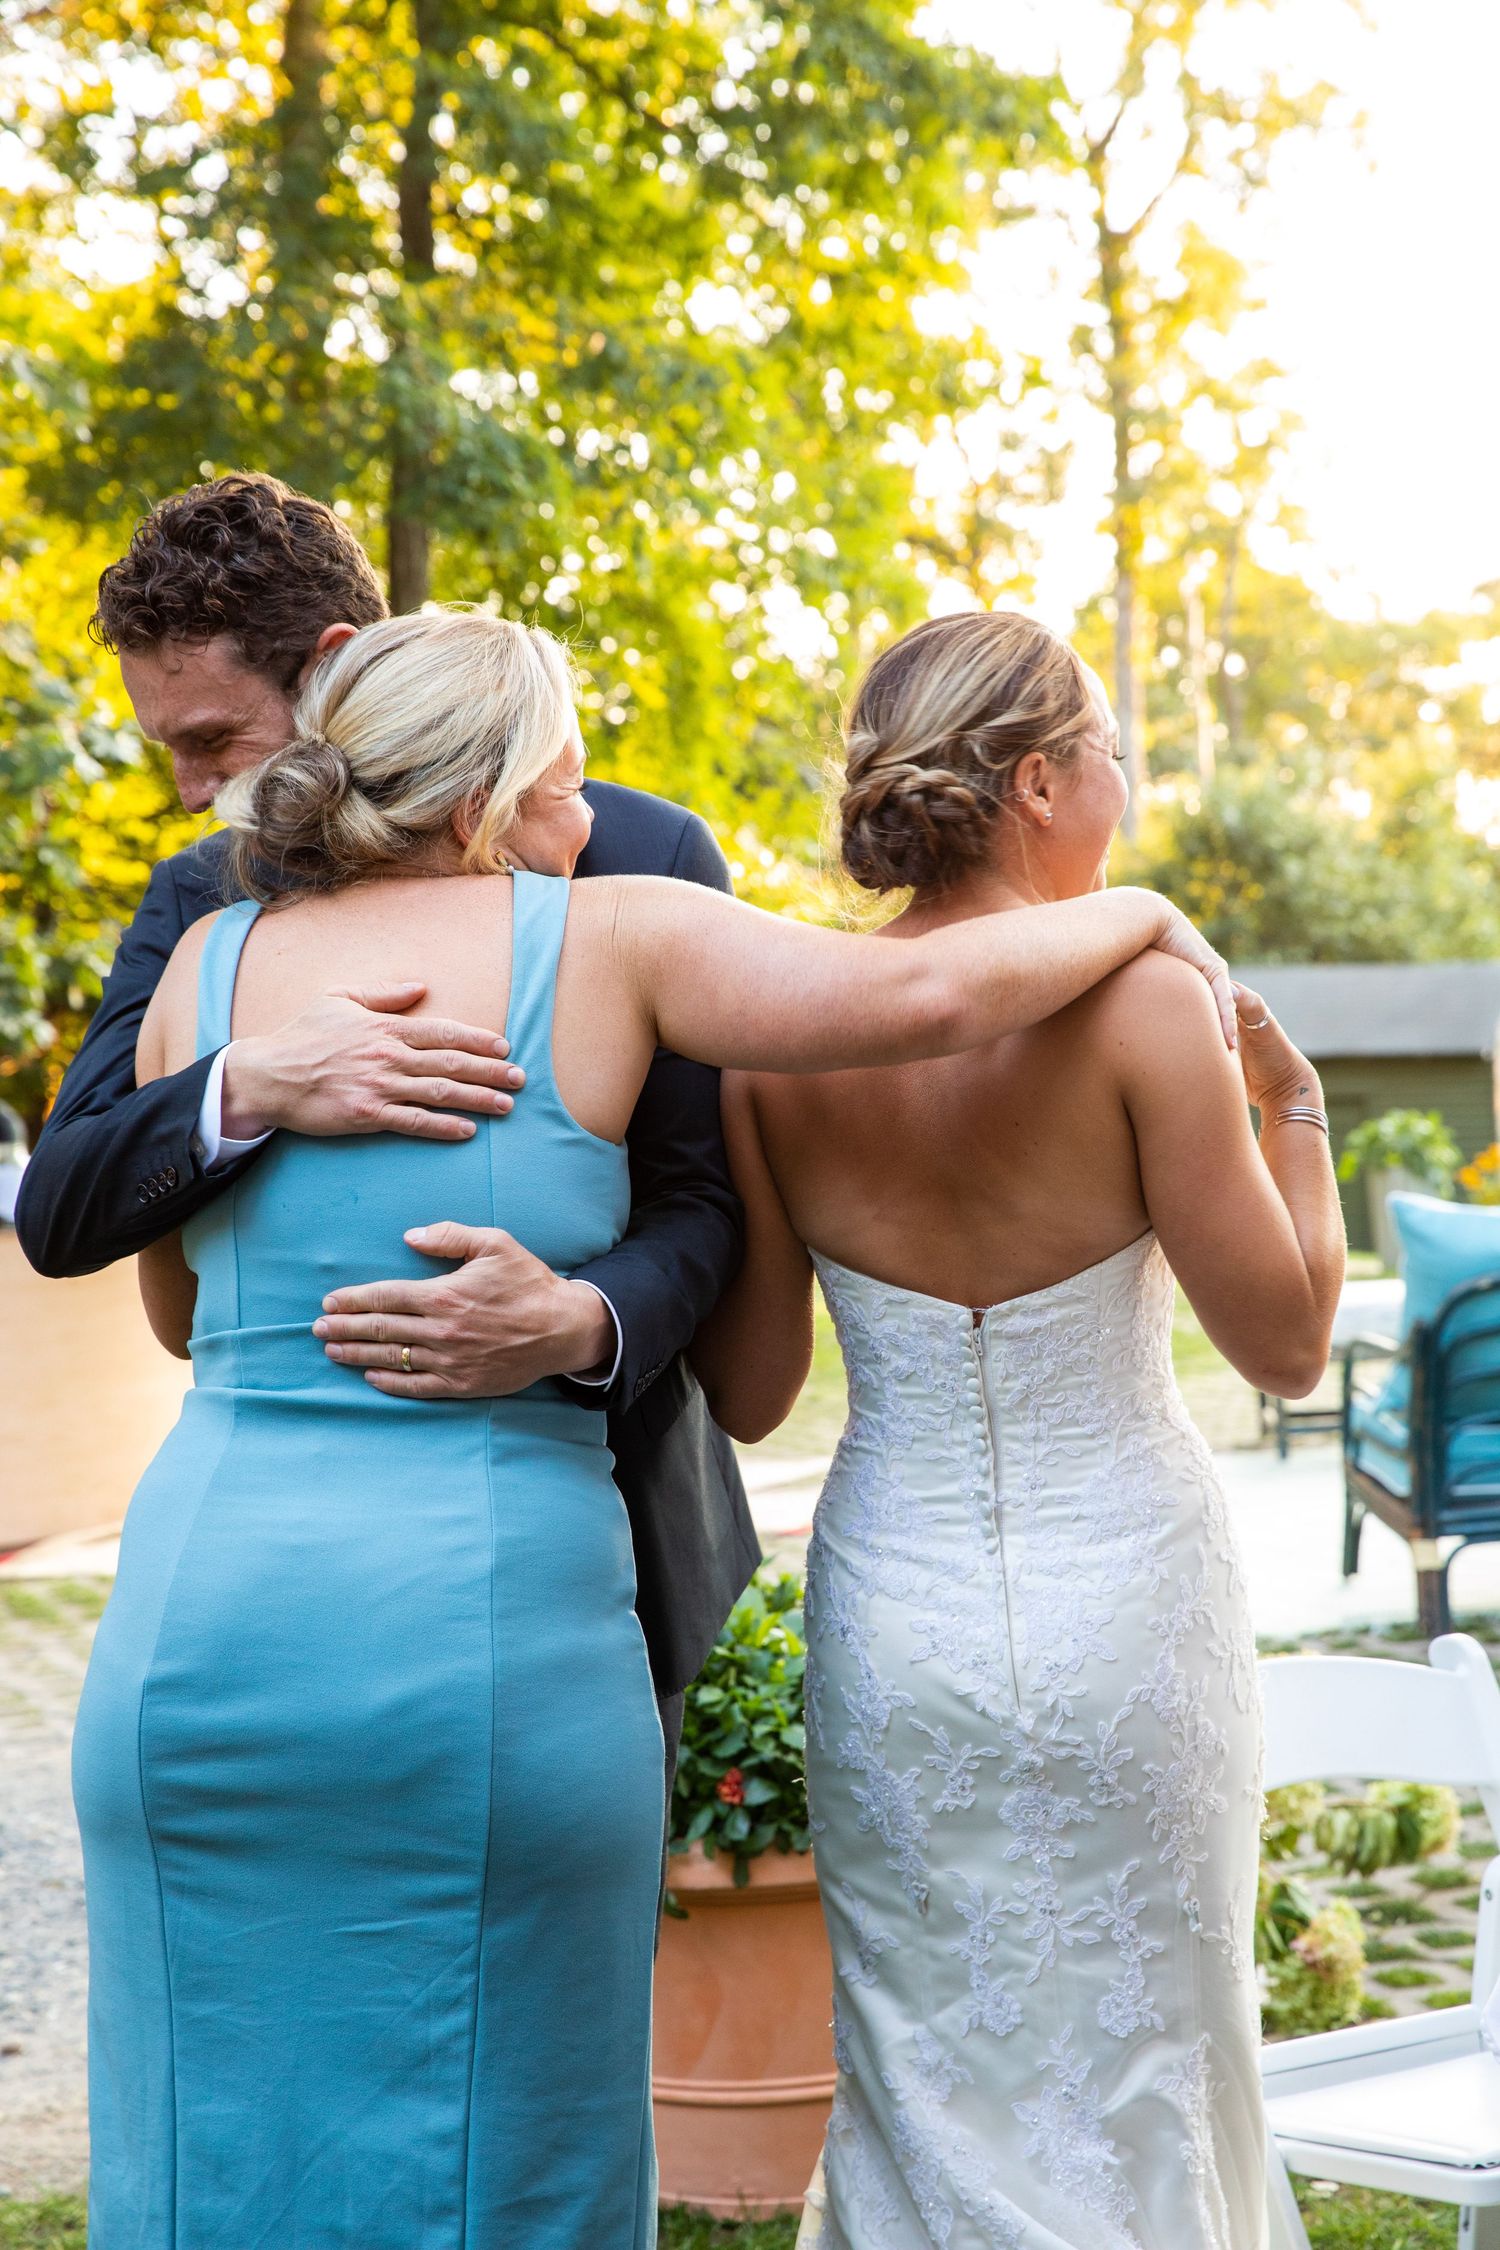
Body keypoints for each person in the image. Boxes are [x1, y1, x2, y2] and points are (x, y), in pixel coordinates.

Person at [70, 605, 1233, 2248]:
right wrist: (1146, 909)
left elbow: (184, 1317)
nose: (587, 808)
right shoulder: (608, 932)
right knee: (512, 2157)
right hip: (480, 1644)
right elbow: (934, 996)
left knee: (203, 2150)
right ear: (480, 799)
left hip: (198, 1636)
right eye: (561, 776)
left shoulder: (210, 968)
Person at [690, 611, 1345, 2250]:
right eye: (1111, 748)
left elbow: (755, 1391)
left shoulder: (782, 1041)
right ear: (1041, 781)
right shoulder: (1144, 1018)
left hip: (894, 1616)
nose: (1124, 781)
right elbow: (1285, 1342)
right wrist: (1302, 1118)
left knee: (922, 2049)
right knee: (1152, 2047)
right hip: (1132, 1602)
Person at [13, 471, 760, 1813]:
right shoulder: (198, 904)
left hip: (602, 1552)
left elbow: (707, 1205)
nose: (190, 792)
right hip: (267, 1597)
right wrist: (251, 1080)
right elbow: (66, 1199)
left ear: (335, 671)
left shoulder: (634, 854)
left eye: (212, 738)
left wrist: (581, 1319)